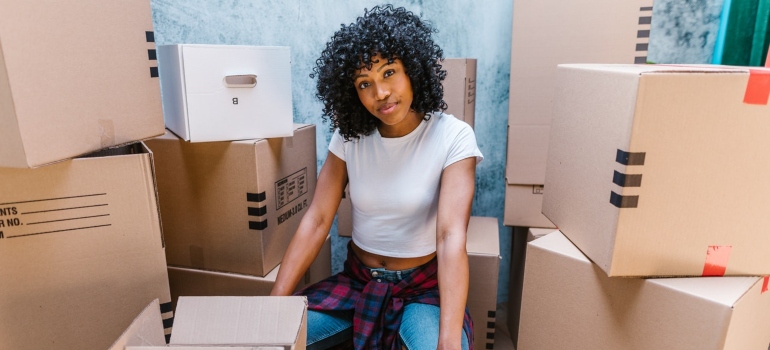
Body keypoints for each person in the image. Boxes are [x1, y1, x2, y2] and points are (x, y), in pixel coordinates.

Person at [271, 4, 483, 350]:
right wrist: (274, 304)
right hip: (358, 283)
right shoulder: (349, 136)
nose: (379, 93)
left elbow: (450, 237)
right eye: (364, 83)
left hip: (422, 291)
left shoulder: (454, 137)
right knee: (272, 340)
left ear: (413, 69)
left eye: (389, 72)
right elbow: (318, 218)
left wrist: (448, 341)